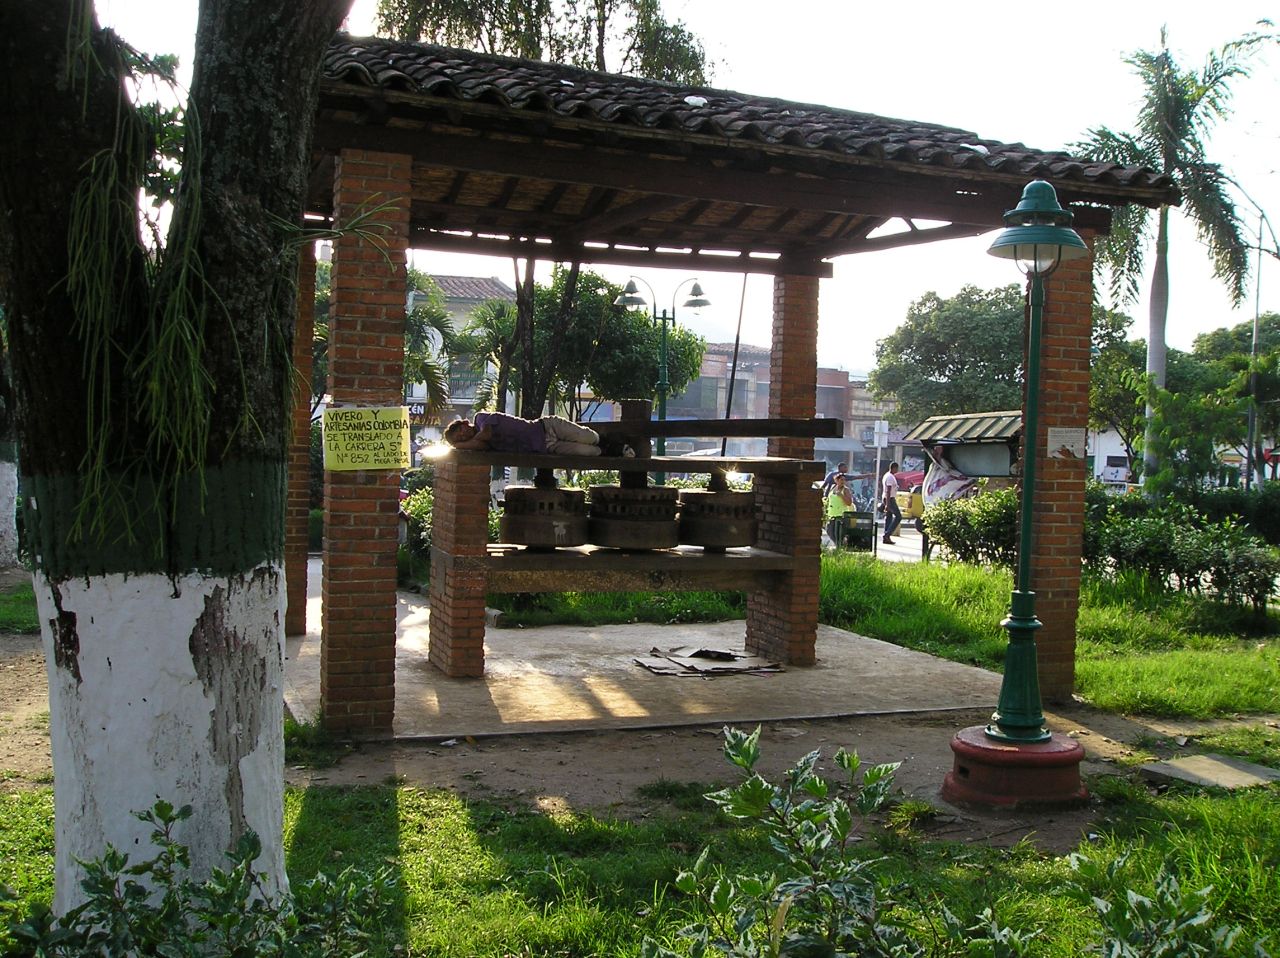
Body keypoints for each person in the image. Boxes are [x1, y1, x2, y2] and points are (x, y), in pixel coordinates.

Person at [444, 412, 602, 456]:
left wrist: (459, 444)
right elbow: (481, 444)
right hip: (546, 446)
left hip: (547, 427)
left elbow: (486, 434)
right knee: (589, 452)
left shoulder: (480, 418)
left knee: (588, 437)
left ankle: (604, 439)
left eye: (460, 431)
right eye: (460, 439)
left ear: (464, 423)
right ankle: (606, 448)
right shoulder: (481, 445)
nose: (463, 435)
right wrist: (458, 445)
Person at [824, 472, 854, 547]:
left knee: (838, 534)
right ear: (836, 480)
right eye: (841, 480)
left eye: (844, 480)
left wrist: (841, 496)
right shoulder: (833, 488)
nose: (843, 481)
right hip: (831, 514)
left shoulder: (846, 490)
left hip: (841, 516)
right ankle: (839, 545)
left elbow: (849, 503)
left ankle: (840, 547)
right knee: (829, 531)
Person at [881, 461, 901, 544]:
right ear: (894, 468)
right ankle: (887, 534)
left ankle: (886, 537)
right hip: (890, 499)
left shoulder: (887, 475)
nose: (897, 470)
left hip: (888, 498)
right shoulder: (890, 477)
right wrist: (887, 504)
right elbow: (888, 491)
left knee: (889, 517)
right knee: (898, 517)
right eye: (897, 468)